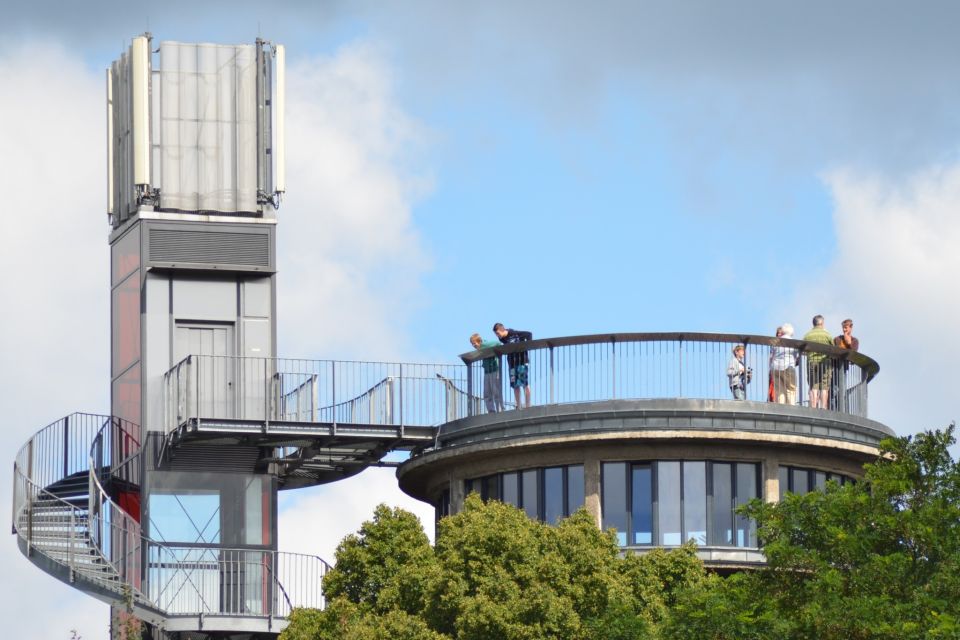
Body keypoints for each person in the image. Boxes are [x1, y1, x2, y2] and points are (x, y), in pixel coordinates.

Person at [493, 323, 533, 409]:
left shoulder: (515, 334)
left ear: (502, 330)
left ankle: (528, 405)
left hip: (522, 362)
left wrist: (527, 346)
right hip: (512, 364)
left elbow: (529, 334)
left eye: (497, 333)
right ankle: (518, 406)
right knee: (515, 385)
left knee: (524, 383)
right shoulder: (502, 340)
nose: (497, 336)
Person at [803, 314, 833, 409]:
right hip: (825, 362)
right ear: (822, 323)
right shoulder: (827, 334)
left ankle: (813, 407)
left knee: (813, 386)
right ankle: (823, 407)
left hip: (811, 362)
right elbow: (833, 348)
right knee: (824, 386)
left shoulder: (807, 335)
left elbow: (803, 349)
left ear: (813, 324)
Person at [470, 332, 504, 413]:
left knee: (496, 391)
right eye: (472, 344)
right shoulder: (480, 349)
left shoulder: (486, 344)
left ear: (479, 341)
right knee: (487, 392)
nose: (473, 346)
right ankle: (491, 410)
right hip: (487, 371)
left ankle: (500, 410)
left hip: (494, 369)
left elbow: (498, 343)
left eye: (474, 343)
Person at [769, 324, 798, 405]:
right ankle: (791, 408)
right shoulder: (793, 342)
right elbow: (795, 356)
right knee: (791, 389)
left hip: (775, 367)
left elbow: (772, 355)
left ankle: (781, 407)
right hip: (788, 366)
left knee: (779, 390)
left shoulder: (776, 341)